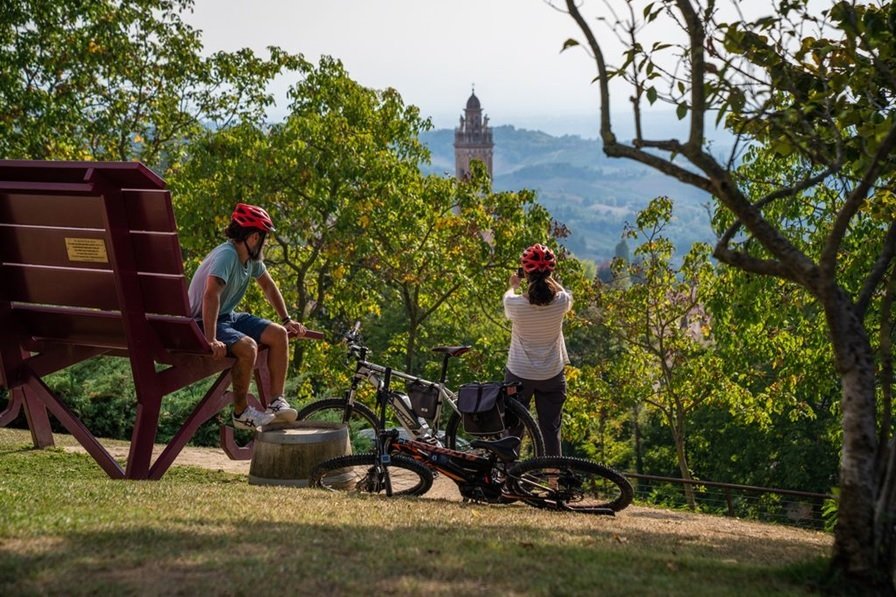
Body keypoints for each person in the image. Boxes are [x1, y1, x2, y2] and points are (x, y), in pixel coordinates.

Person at [187, 203, 306, 430]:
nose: (265, 242)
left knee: (279, 334)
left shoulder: (251, 260)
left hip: (227, 316)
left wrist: (286, 320)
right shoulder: (227, 256)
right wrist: (211, 339)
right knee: (248, 347)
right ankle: (241, 413)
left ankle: (276, 402)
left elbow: (269, 287)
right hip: (203, 321)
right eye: (264, 237)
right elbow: (210, 295)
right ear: (253, 237)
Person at [503, 243, 572, 456]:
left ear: (525, 272)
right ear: (550, 272)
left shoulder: (514, 304)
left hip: (519, 375)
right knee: (551, 430)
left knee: (512, 427)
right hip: (551, 374)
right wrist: (549, 278)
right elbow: (562, 293)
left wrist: (513, 284)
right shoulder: (561, 302)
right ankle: (554, 481)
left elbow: (510, 295)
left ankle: (508, 476)